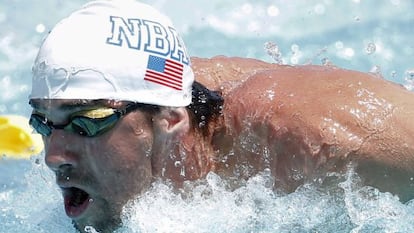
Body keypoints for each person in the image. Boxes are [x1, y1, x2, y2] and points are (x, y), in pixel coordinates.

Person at [28, 0, 414, 232]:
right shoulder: (135, 98)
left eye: (87, 122)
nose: (53, 155)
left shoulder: (312, 138)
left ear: (171, 120)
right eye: (43, 122)